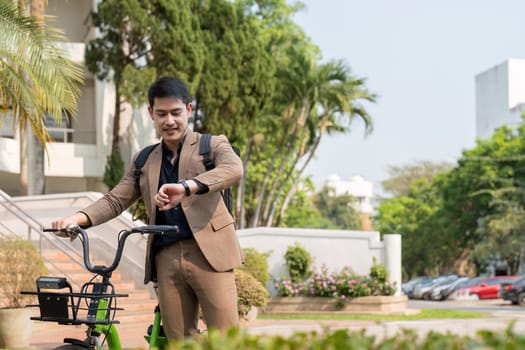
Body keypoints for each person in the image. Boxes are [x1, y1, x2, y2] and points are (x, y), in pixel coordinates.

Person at [51, 76, 244, 339]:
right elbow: (116, 199)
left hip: (209, 255)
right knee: (180, 342)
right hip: (165, 259)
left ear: (188, 110)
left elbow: (233, 169)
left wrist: (187, 187)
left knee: (227, 340)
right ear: (151, 113)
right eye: (162, 114)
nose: (169, 121)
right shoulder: (144, 159)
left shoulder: (211, 145)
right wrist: (79, 217)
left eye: (176, 113)